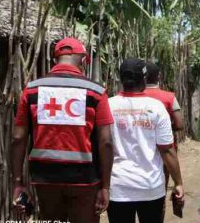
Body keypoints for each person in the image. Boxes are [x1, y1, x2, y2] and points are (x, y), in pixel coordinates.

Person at [12, 38, 114, 223]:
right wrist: (105, 186)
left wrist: (18, 183)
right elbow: (106, 141)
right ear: (82, 60)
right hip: (85, 179)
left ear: (55, 60)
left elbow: (18, 138)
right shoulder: (96, 92)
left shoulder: (31, 90)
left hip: (45, 178)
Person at [107, 58, 184, 223]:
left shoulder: (108, 105)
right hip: (150, 187)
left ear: (121, 79)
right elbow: (167, 149)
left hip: (118, 188)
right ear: (144, 79)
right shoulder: (156, 107)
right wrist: (178, 182)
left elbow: (103, 145)